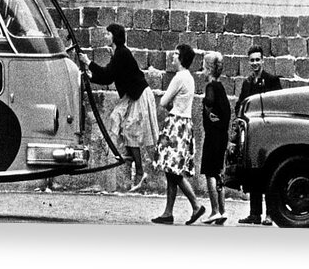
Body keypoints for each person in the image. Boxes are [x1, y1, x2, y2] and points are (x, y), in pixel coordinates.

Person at [78, 23, 159, 192]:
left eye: (108, 34)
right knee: (123, 124)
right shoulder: (117, 54)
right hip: (132, 95)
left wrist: (88, 62)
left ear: (114, 36)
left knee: (131, 130)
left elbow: (108, 74)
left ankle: (139, 170)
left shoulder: (122, 53)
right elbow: (109, 77)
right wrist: (91, 76)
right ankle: (133, 163)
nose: (106, 37)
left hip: (138, 94)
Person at [151, 43, 206, 225]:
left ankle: (196, 205)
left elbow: (164, 102)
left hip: (175, 124)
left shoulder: (178, 77)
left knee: (173, 171)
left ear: (181, 58)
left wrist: (168, 102)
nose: (173, 57)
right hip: (185, 125)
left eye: (175, 54)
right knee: (171, 171)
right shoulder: (189, 77)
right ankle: (168, 212)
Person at [236, 45, 282, 225]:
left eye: (257, 59)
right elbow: (240, 104)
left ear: (263, 60)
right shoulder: (247, 83)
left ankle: (270, 214)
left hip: (269, 135)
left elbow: (278, 104)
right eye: (252, 60)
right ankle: (255, 213)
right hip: (252, 135)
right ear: (249, 62)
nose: (255, 63)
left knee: (268, 173)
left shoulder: (271, 80)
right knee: (253, 172)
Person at [200, 51, 231, 225]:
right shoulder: (221, 87)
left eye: (204, 67)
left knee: (210, 172)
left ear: (209, 69)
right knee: (218, 172)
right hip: (222, 136)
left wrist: (209, 113)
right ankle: (223, 210)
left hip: (213, 136)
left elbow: (210, 105)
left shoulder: (211, 87)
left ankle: (214, 210)